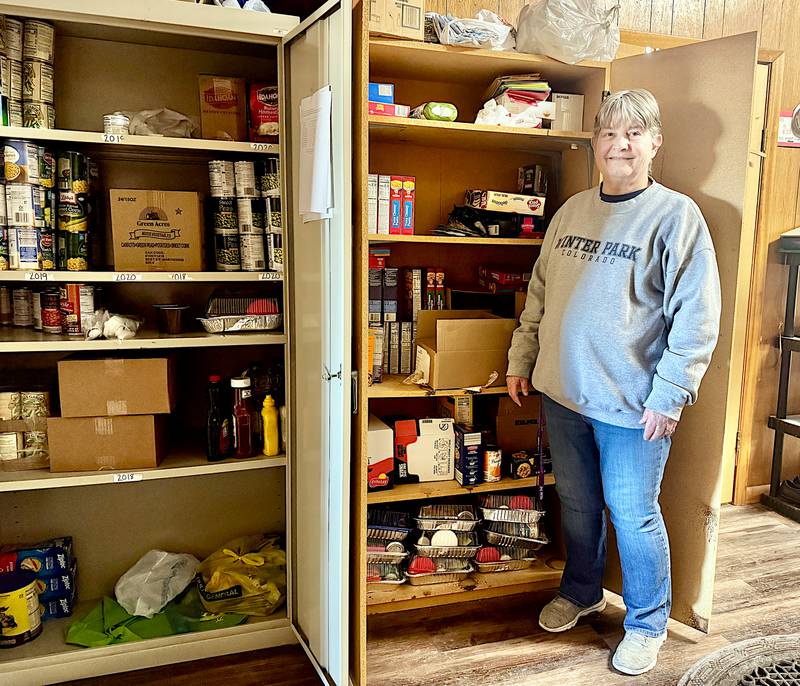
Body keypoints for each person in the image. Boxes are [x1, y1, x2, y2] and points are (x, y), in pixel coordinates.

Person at [505, 89, 721, 676]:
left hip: (633, 405)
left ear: (654, 143)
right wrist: (522, 359)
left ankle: (647, 623)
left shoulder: (676, 217)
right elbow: (541, 296)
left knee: (635, 514)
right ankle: (582, 591)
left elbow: (696, 319)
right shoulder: (571, 212)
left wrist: (672, 394)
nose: (620, 144)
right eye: (608, 134)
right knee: (577, 505)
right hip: (562, 393)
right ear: (594, 143)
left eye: (633, 134)